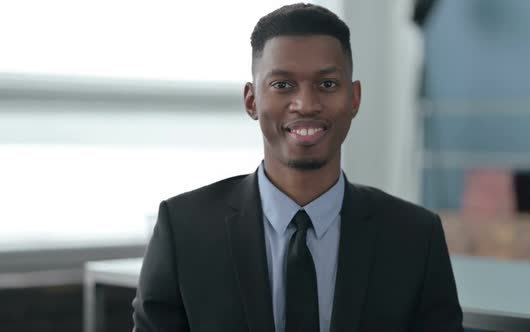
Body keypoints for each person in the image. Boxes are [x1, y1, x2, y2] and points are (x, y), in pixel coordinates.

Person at [132, 3, 463, 332]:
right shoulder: (184, 229)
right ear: (251, 101)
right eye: (282, 85)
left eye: (328, 84)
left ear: (355, 99)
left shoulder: (416, 237)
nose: (306, 104)